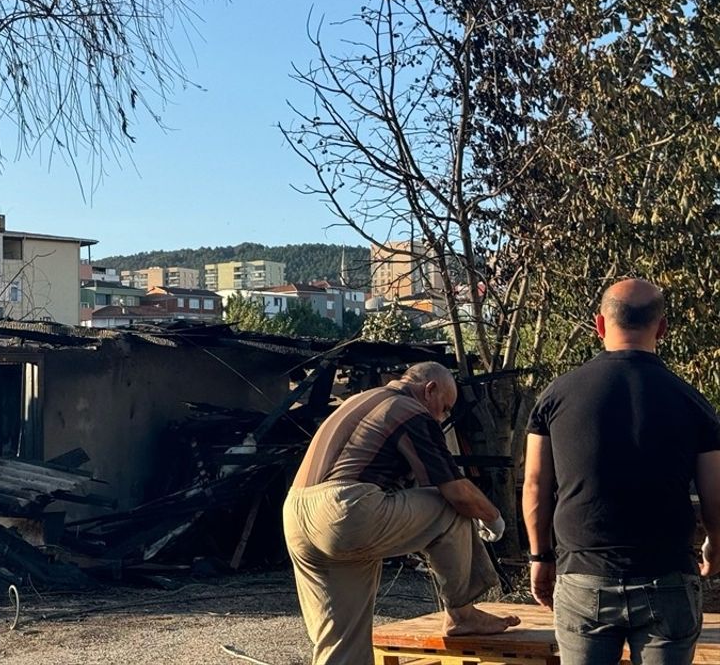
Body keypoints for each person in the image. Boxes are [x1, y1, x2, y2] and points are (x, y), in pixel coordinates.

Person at [523, 278, 720, 664]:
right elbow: (716, 493)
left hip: (582, 576)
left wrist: (539, 557)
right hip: (668, 576)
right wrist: (715, 543)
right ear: (661, 328)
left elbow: (534, 486)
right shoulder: (692, 402)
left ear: (599, 324)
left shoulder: (556, 396)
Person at [284, 361, 519, 665]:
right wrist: (493, 517)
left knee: (342, 643)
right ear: (429, 390)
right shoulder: (409, 409)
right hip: (346, 510)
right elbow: (456, 491)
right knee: (451, 507)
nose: (443, 416)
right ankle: (462, 615)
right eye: (444, 407)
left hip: (296, 514)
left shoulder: (358, 400)